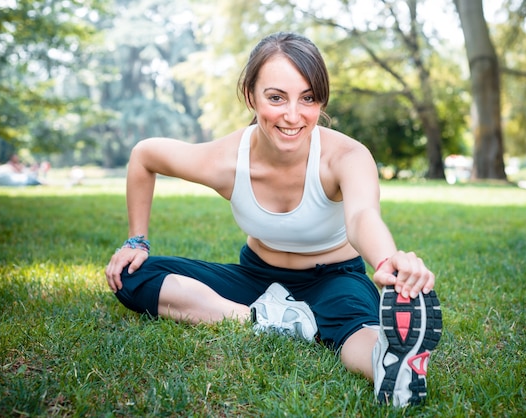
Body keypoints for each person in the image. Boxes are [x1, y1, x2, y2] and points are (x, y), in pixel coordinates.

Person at [105, 32, 442, 408]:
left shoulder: (346, 156)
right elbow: (144, 155)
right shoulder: (226, 160)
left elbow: (362, 215)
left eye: (308, 98)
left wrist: (387, 260)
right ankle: (266, 318)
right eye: (276, 97)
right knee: (130, 276)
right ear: (251, 96)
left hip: (333, 278)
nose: (293, 116)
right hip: (256, 279)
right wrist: (136, 241)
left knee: (354, 329)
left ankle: (389, 366)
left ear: (321, 101)